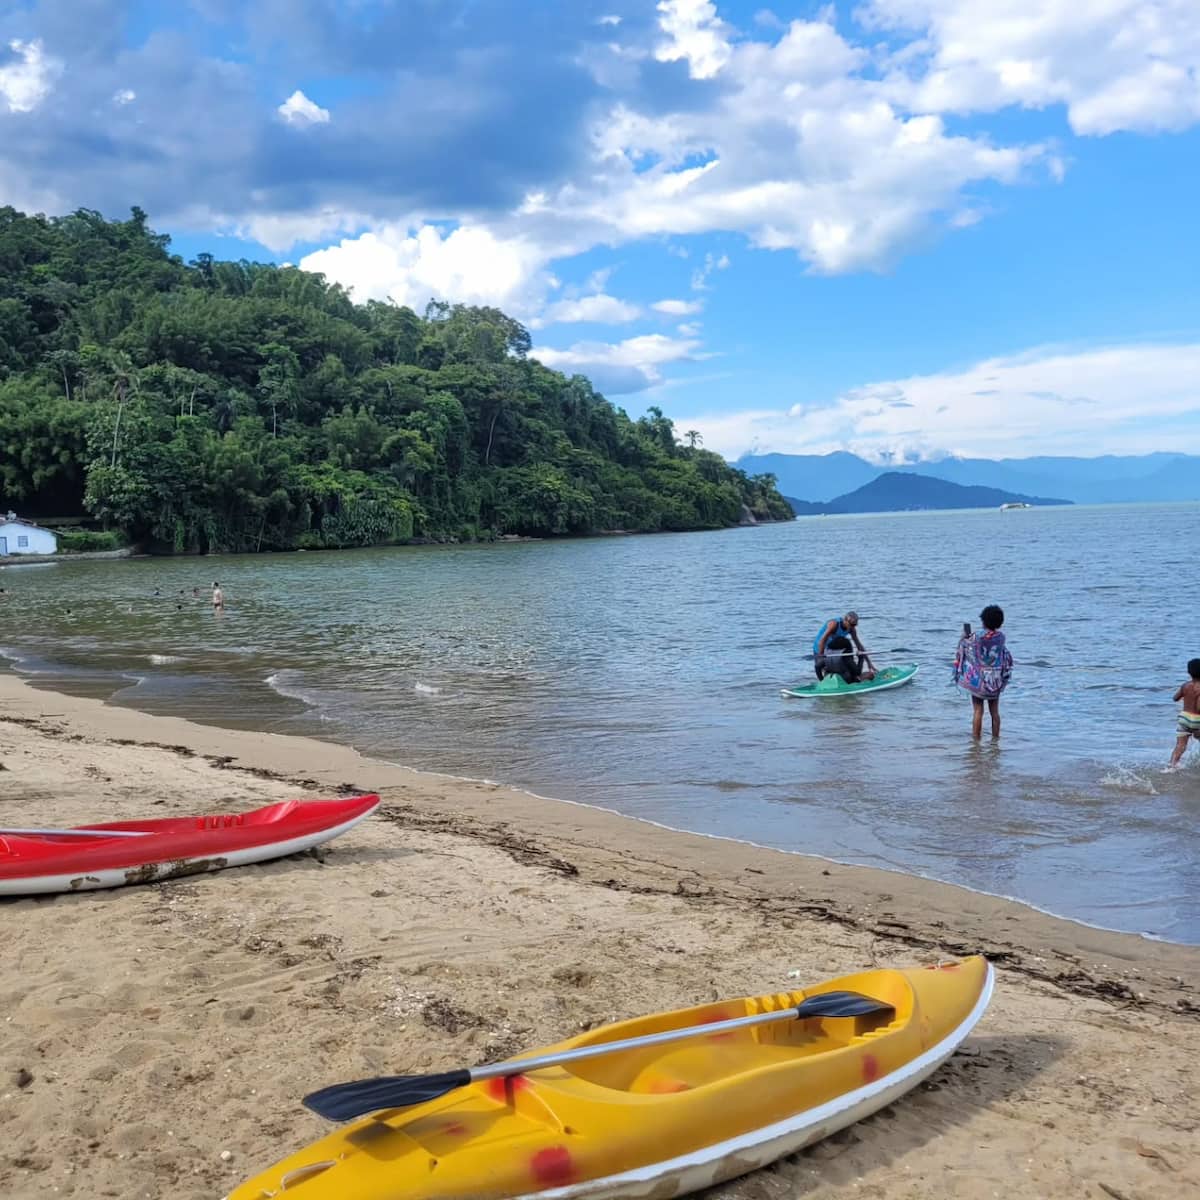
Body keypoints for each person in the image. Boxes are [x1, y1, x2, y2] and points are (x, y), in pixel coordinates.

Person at [954, 605, 1013, 738]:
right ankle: (995, 740)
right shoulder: (1001, 637)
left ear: (983, 621)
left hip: (978, 682)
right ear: (1000, 623)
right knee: (995, 712)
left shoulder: (976, 636)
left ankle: (976, 742)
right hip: (995, 680)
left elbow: (964, 646)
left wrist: (963, 637)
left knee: (978, 711)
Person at [813, 611, 874, 681]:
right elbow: (822, 641)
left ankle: (842, 679)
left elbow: (859, 645)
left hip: (833, 648)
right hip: (819, 647)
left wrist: (869, 663)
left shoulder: (852, 629)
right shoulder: (834, 624)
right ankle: (823, 681)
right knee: (822, 667)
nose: (853, 627)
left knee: (839, 666)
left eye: (855, 625)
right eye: (851, 624)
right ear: (845, 620)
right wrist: (821, 656)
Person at [1168, 658, 1200, 769]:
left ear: (1188, 672)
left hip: (1184, 719)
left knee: (1180, 746)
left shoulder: (1185, 686)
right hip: (1198, 720)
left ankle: (1171, 767)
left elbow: (1175, 698)